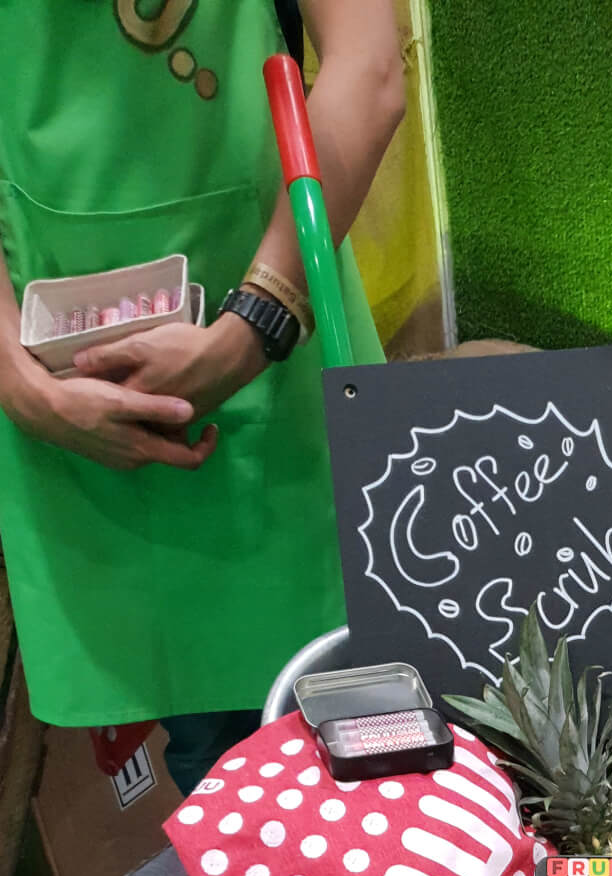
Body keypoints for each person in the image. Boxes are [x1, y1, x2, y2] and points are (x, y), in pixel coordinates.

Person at [0, 0, 404, 794]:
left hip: (282, 359)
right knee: (217, 776)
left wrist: (257, 323)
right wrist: (19, 383)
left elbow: (369, 68)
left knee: (364, 749)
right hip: (59, 399)